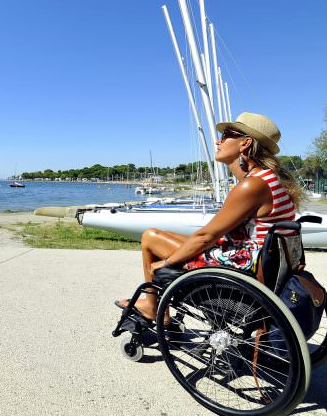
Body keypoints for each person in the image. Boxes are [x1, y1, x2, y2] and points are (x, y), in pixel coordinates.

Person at [116, 112, 304, 320]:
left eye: (226, 135)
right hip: (260, 262)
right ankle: (155, 306)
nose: (218, 140)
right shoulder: (268, 179)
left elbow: (205, 237)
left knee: (151, 238)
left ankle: (152, 306)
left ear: (246, 143)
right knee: (161, 236)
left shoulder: (253, 184)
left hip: (243, 267)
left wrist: (166, 263)